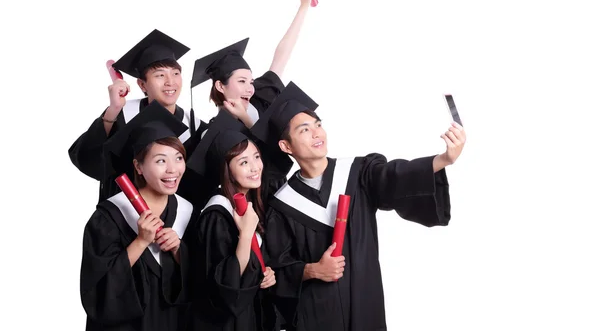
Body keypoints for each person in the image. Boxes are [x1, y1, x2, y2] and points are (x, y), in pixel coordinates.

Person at [251, 82, 467, 331]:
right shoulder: (282, 204)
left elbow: (393, 176)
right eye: (304, 130)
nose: (317, 133)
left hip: (365, 307)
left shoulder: (357, 173)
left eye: (318, 125)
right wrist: (311, 270)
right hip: (316, 318)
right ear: (286, 146)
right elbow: (276, 268)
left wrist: (443, 160)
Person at [80, 100, 194, 330]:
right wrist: (141, 241)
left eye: (178, 158)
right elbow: (97, 293)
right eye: (160, 160)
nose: (173, 169)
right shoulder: (108, 216)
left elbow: (201, 286)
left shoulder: (187, 210)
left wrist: (179, 251)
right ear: (138, 166)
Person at [69, 29, 207, 202]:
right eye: (160, 75)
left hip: (175, 219)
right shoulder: (123, 114)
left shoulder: (194, 124)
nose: (170, 82)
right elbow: (88, 159)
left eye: (176, 73)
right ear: (142, 84)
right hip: (124, 214)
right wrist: (113, 109)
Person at [183, 110, 279, 330]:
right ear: (226, 170)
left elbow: (249, 268)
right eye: (243, 162)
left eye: (256, 157)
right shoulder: (215, 215)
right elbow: (226, 286)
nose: (255, 167)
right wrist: (245, 234)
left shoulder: (250, 204)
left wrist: (266, 274)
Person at [190, 0, 314, 129]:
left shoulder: (260, 96)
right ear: (220, 86)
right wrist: (245, 118)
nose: (250, 89)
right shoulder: (216, 131)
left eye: (251, 81)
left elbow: (282, 55)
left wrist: (303, 7)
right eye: (242, 81)